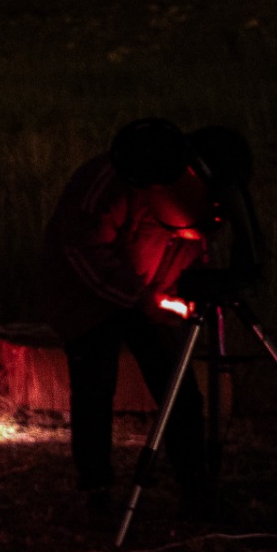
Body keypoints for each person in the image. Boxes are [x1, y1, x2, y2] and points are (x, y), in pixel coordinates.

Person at [35, 117, 215, 527]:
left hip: (148, 291)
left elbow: (189, 240)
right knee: (94, 385)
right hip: (86, 296)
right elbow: (82, 249)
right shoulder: (103, 186)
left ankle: (194, 482)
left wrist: (176, 294)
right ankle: (95, 487)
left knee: (176, 385)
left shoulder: (184, 185)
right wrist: (138, 298)